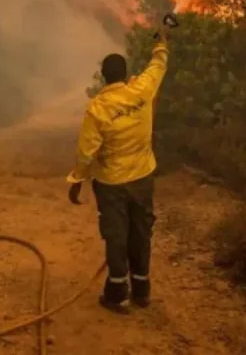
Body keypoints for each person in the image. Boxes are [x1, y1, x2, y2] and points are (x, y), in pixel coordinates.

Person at [66, 17, 170, 314]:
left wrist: (76, 181)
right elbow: (158, 65)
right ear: (125, 74)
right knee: (140, 232)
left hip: (111, 184)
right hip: (143, 178)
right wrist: (161, 40)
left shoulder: (97, 109)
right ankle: (142, 291)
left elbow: (86, 154)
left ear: (103, 77)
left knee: (115, 235)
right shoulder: (142, 90)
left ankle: (117, 294)